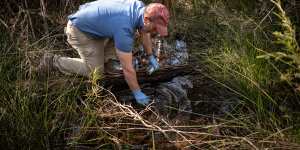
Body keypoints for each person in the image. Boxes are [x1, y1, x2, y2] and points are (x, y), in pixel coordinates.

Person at [38, 0, 170, 105]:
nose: (156, 32)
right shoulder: (124, 28)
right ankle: (53, 61)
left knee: (124, 42)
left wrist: (150, 56)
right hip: (80, 31)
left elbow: (144, 31)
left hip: (97, 25)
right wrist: (137, 92)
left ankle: (106, 60)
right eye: (156, 28)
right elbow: (128, 69)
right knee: (96, 73)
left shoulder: (140, 8)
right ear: (147, 19)